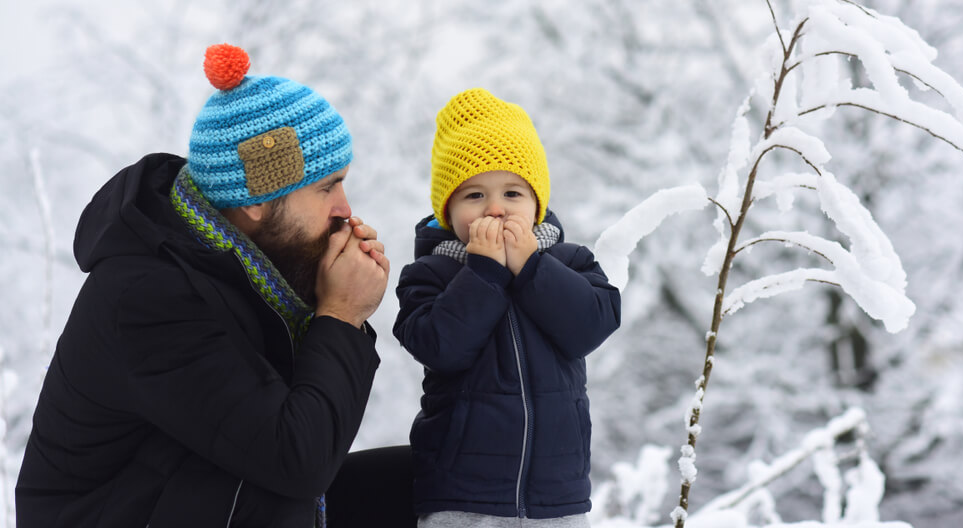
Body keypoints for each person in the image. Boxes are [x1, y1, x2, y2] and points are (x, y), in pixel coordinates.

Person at [15, 44, 416, 528]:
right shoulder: (149, 296)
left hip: (198, 494)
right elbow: (297, 459)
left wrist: (324, 298)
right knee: (282, 492)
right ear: (256, 202)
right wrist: (341, 315)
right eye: (326, 187)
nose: (345, 209)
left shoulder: (242, 268)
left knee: (427, 478)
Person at [393, 88, 622, 527]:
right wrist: (483, 273)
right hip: (463, 493)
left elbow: (592, 325)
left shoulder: (570, 262)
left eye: (513, 193)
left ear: (537, 204)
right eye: (474, 196)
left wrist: (533, 267)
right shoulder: (431, 274)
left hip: (557, 494)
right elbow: (440, 347)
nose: (496, 209)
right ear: (447, 210)